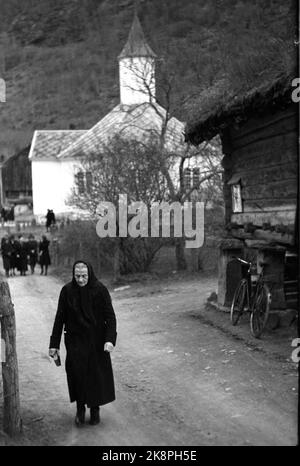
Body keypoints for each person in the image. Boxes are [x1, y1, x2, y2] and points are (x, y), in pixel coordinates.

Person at [48, 261, 117, 427]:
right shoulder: (66, 291)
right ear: (73, 275)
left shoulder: (100, 290)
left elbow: (110, 317)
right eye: (77, 276)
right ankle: (80, 409)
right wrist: (54, 344)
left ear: (90, 274)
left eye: (84, 276)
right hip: (75, 340)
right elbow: (60, 318)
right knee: (77, 374)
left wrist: (109, 340)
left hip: (97, 340)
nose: (80, 280)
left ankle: (94, 409)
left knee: (95, 375)